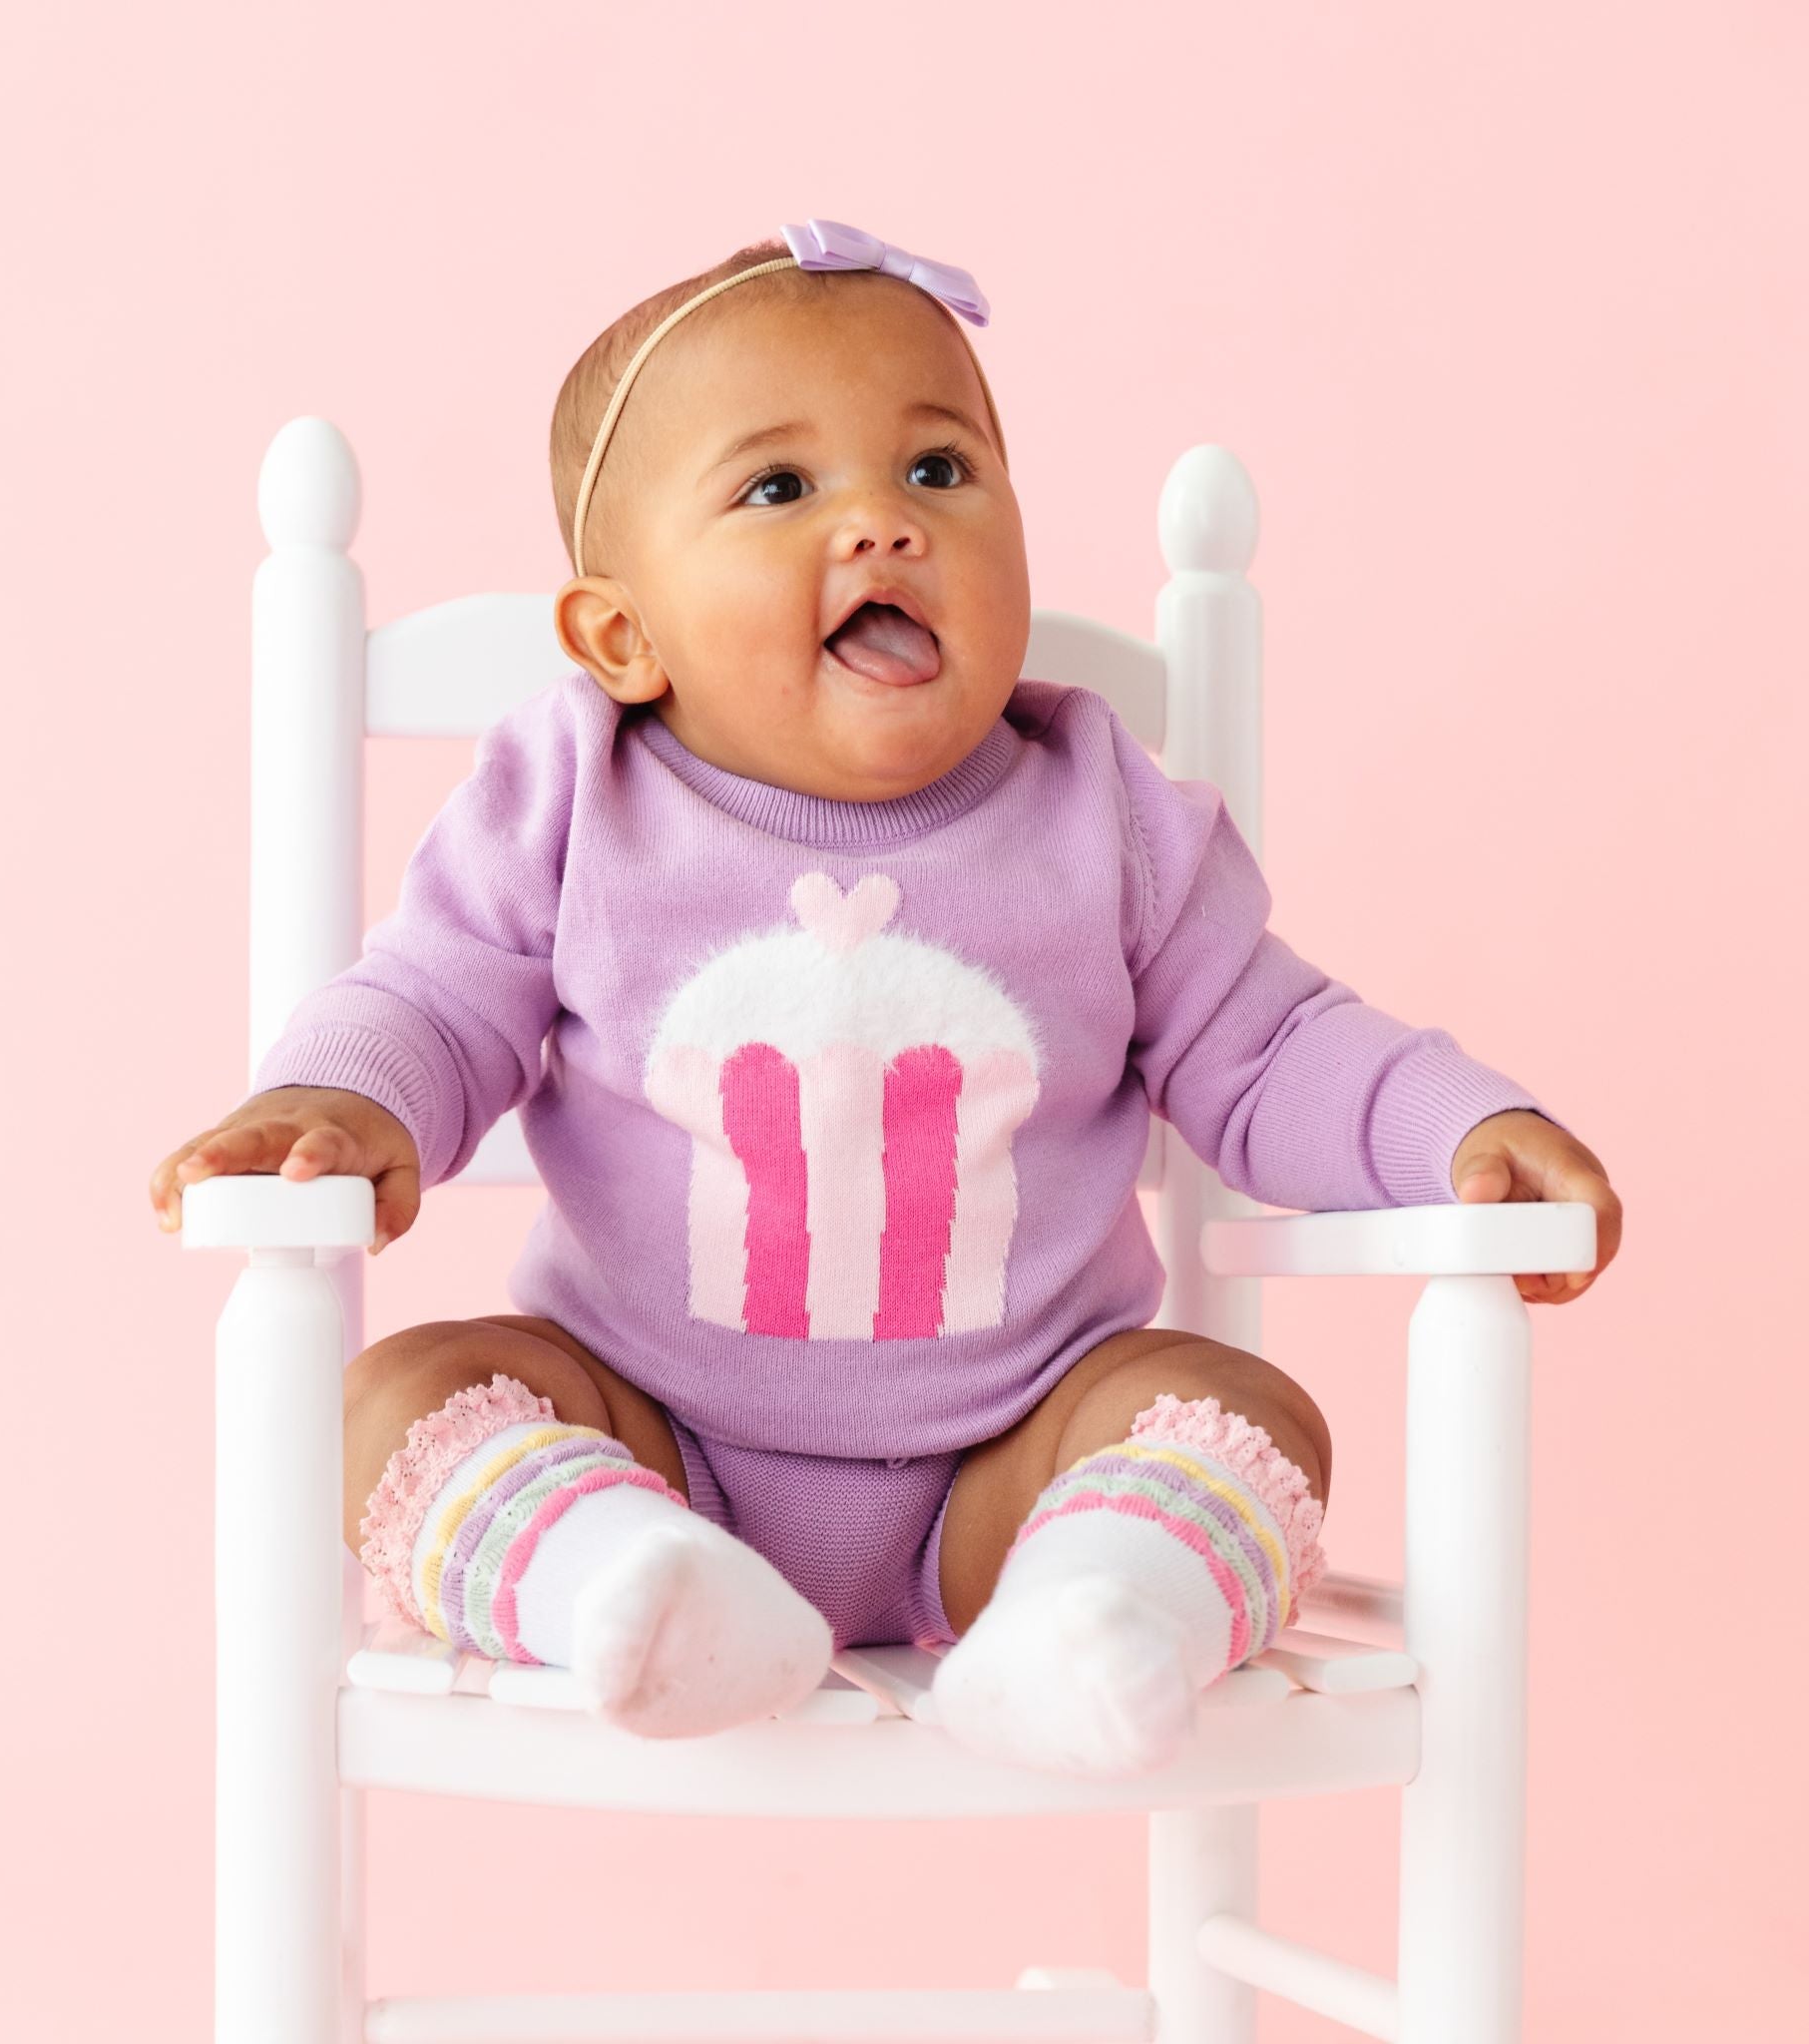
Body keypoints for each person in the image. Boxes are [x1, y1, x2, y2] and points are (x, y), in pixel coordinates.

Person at [150, 220, 1622, 1779]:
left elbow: (1270, 1048)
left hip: (1017, 1459)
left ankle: (1096, 1611)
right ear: (620, 635)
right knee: (399, 1397)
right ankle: (623, 1587)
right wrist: (339, 1095)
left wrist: (1463, 1125)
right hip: (648, 1432)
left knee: (1237, 1408)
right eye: (780, 490)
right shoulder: (573, 799)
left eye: (940, 472)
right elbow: (439, 996)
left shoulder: (1099, 809)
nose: (884, 526)